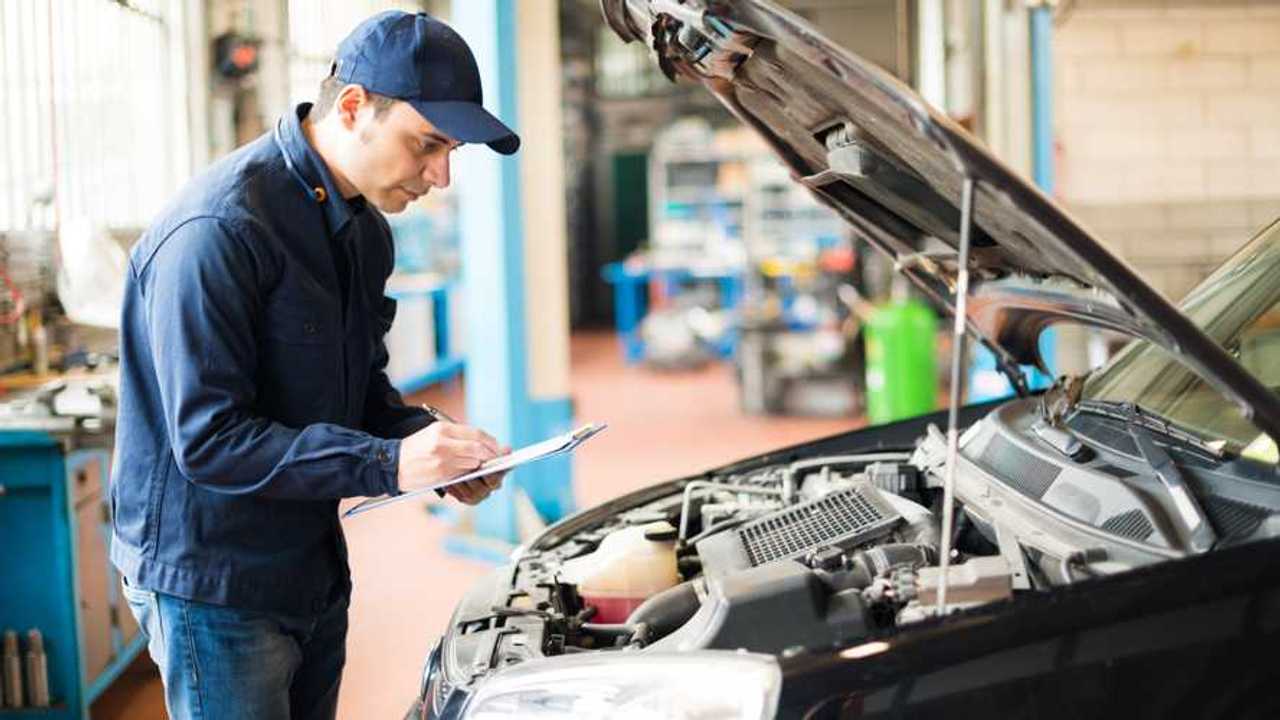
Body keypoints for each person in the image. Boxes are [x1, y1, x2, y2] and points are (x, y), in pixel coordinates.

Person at [108, 11, 518, 719]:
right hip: (214, 580)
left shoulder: (363, 234)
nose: (442, 176)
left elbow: (357, 390)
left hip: (309, 562)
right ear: (355, 107)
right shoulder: (220, 232)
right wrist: (389, 465)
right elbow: (210, 441)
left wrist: (432, 444)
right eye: (427, 145)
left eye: (452, 151)